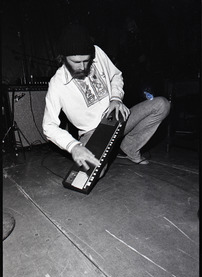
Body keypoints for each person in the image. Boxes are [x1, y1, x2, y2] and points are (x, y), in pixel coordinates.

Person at [42, 25, 170, 174]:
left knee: (162, 104)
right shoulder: (57, 84)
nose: (83, 67)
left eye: (86, 61)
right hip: (92, 133)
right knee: (95, 171)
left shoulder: (97, 53)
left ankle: (130, 146)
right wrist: (73, 146)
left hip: (117, 119)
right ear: (62, 58)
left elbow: (116, 75)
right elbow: (48, 126)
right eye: (76, 62)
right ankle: (102, 152)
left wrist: (116, 98)